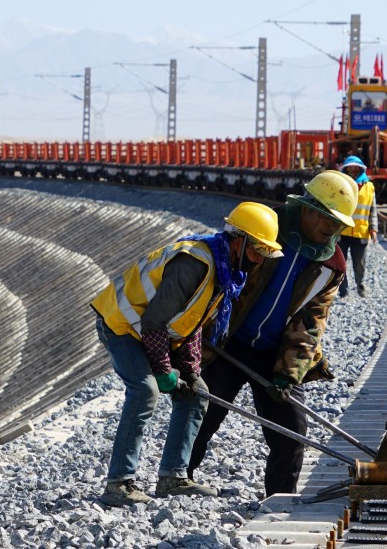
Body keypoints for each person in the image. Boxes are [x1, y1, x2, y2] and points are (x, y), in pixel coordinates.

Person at [92, 202, 284, 507]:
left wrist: (191, 372)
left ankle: (173, 477)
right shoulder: (194, 263)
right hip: (122, 324)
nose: (260, 258)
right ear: (239, 240)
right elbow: (155, 321)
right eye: (257, 250)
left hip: (148, 327)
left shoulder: (225, 271)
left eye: (264, 252)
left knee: (197, 393)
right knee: (145, 390)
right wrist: (164, 370)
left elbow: (191, 324)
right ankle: (119, 483)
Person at [188, 170, 358, 495]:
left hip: (275, 356)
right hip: (229, 343)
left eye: (338, 223)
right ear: (309, 208)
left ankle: (280, 501)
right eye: (328, 219)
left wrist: (289, 374)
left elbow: (311, 323)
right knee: (201, 414)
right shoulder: (267, 228)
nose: (332, 228)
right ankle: (176, 478)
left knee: (292, 433)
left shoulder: (331, 265)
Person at [337, 155, 378, 298]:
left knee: (359, 264)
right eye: (350, 168)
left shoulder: (369, 187)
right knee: (341, 264)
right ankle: (343, 291)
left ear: (361, 169)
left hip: (361, 232)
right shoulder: (340, 186)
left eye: (356, 168)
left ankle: (361, 286)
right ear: (346, 169)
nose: (353, 170)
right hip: (342, 232)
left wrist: (373, 229)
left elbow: (372, 210)